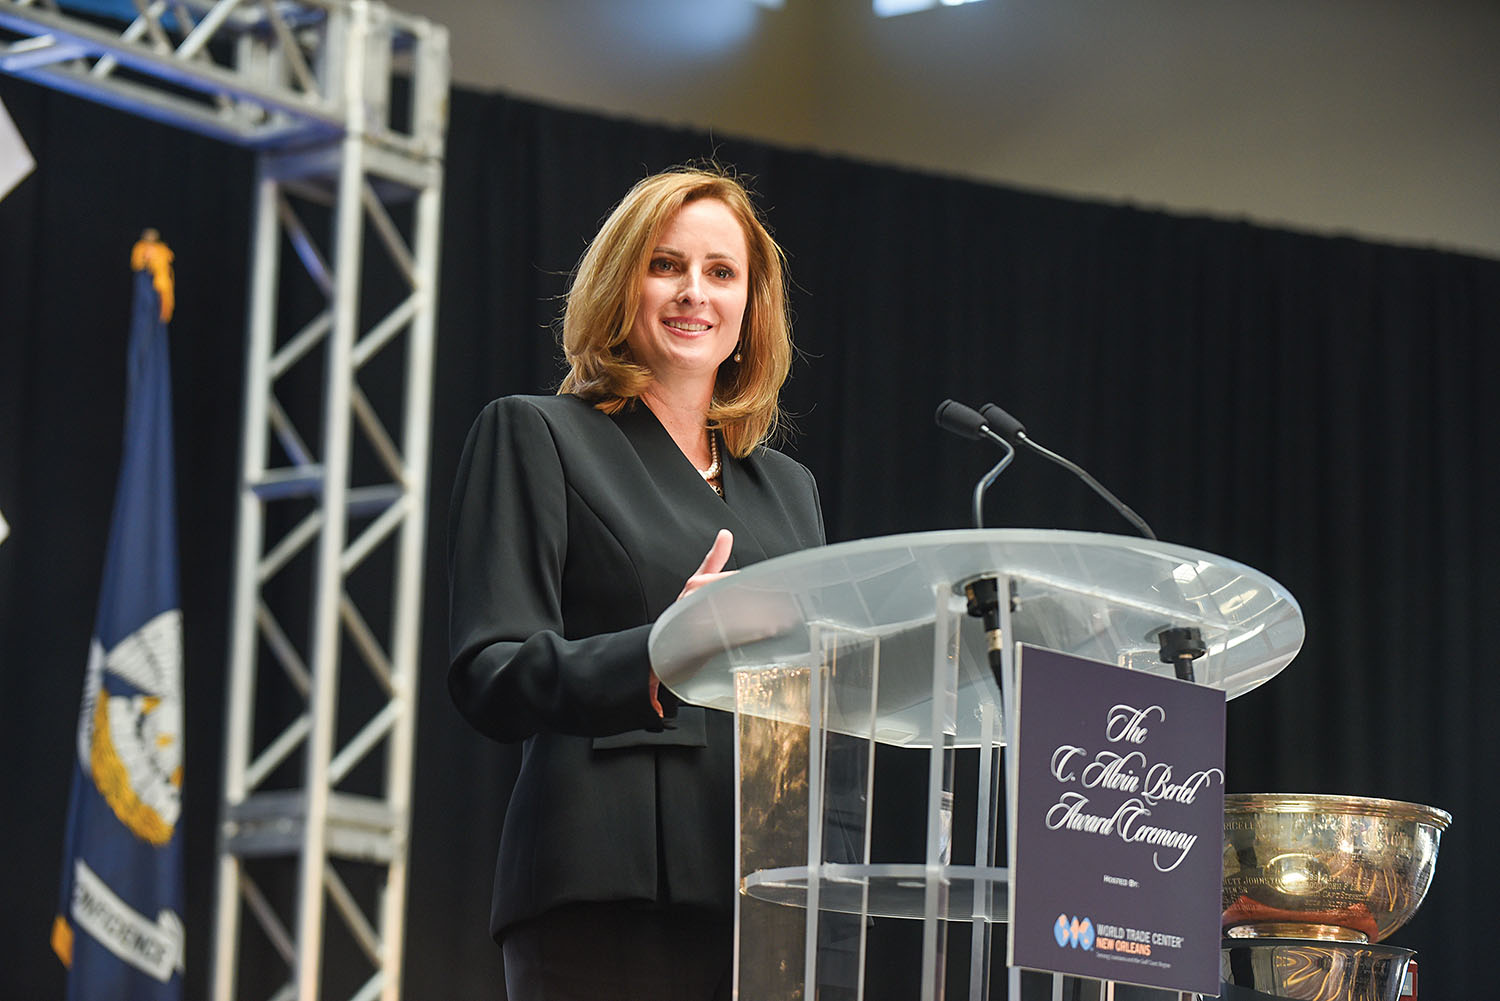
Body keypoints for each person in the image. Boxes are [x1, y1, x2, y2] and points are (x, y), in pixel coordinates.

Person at [447, 165, 825, 1001]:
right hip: (605, 879)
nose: (695, 292)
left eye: (721, 273)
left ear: (750, 308)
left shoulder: (787, 489)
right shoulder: (537, 434)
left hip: (762, 888)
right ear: (624, 283)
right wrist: (658, 652)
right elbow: (491, 670)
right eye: (667, 264)